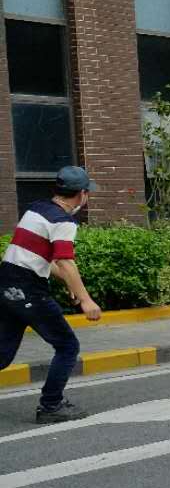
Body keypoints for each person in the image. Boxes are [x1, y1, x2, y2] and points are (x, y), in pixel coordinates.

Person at [0, 166, 102, 423]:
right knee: (67, 346)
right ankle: (51, 405)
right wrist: (86, 299)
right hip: (29, 290)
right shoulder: (63, 221)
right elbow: (65, 261)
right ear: (81, 194)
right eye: (87, 193)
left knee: (3, 353)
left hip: (7, 284)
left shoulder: (36, 209)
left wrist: (70, 283)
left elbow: (39, 256)